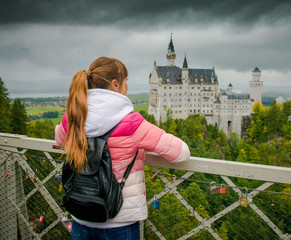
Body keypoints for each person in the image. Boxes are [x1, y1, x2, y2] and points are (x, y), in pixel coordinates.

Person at [55, 57, 190, 240]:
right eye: (126, 80)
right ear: (116, 84)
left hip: (81, 215)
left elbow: (61, 139)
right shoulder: (132, 123)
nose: (127, 85)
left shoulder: (72, 116)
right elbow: (181, 153)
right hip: (119, 221)